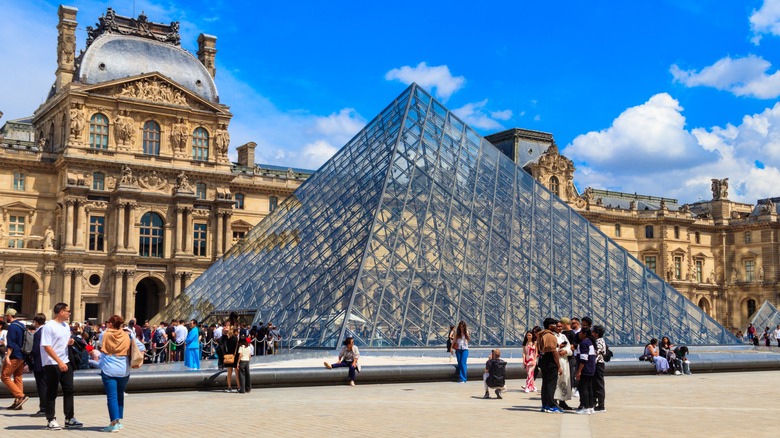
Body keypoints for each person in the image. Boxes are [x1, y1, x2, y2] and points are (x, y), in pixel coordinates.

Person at [41, 302, 82, 430]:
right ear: (61, 312)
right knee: (52, 391)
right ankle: (51, 419)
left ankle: (69, 418)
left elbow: (62, 341)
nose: (70, 313)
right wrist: (59, 362)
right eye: (68, 311)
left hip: (65, 361)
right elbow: (47, 347)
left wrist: (70, 342)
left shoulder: (65, 326)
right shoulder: (49, 326)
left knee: (69, 389)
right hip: (52, 363)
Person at [98, 315, 133, 433]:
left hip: (109, 369)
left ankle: (113, 423)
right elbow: (139, 346)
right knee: (119, 395)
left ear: (111, 324)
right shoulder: (128, 334)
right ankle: (118, 421)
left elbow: (100, 342)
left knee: (112, 397)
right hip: (124, 370)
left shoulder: (104, 334)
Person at [2, 307, 29, 410]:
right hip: (22, 355)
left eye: (6, 316)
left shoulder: (12, 327)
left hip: (14, 355)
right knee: (18, 377)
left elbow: (11, 344)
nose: (5, 318)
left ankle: (20, 396)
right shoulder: (21, 325)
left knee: (5, 376)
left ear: (9, 316)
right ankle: (18, 403)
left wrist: (7, 356)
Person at [538, 318, 563, 413]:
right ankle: (551, 405)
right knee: (551, 384)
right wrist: (559, 366)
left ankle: (544, 404)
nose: (556, 326)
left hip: (543, 360)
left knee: (545, 384)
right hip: (550, 361)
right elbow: (554, 352)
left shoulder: (541, 334)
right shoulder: (550, 336)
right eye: (554, 324)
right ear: (550, 326)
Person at [28, 313, 48, 417]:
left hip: (40, 363)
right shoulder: (48, 330)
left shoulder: (38, 333)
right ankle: (48, 407)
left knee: (42, 386)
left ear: (36, 322)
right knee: (47, 385)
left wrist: (30, 356)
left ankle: (43, 408)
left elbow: (36, 349)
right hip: (49, 362)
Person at [574, 328, 597, 415]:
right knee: (589, 387)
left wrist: (579, 371)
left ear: (584, 334)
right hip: (591, 368)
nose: (579, 334)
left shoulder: (583, 343)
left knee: (583, 388)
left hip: (585, 368)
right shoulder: (590, 342)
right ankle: (591, 407)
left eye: (580, 333)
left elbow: (583, 359)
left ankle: (586, 407)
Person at [554, 321, 573, 410]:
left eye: (561, 326)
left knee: (564, 381)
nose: (560, 328)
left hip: (564, 361)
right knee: (556, 382)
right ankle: (554, 401)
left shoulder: (563, 336)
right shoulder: (553, 336)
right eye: (558, 326)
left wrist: (566, 351)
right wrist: (559, 349)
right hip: (557, 361)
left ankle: (562, 401)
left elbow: (570, 349)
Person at [592, 325, 607, 412]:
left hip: (598, 364)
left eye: (593, 331)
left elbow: (596, 354)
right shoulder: (599, 340)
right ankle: (597, 403)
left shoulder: (599, 342)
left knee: (599, 385)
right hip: (598, 364)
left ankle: (601, 405)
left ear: (597, 333)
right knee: (596, 384)